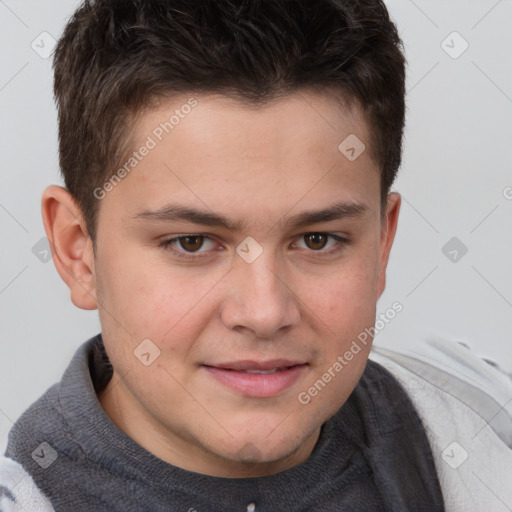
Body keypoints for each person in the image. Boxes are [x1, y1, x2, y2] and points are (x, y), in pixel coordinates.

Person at [1, 1, 511, 511]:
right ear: (78, 252)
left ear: (382, 245)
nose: (265, 313)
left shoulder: (485, 441)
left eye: (318, 240)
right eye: (192, 243)